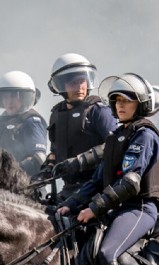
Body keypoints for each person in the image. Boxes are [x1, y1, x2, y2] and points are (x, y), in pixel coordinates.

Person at [56, 73, 159, 265]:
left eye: (126, 101)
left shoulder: (144, 134)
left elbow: (130, 183)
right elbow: (96, 181)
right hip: (114, 208)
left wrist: (93, 208)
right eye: (116, 101)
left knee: (106, 253)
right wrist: (71, 204)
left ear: (140, 104)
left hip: (138, 208)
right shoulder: (117, 135)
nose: (119, 106)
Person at [36, 53, 118, 203]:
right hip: (68, 189)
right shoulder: (56, 114)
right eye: (73, 83)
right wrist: (43, 174)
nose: (79, 87)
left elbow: (115, 146)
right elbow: (55, 151)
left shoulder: (99, 111)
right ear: (60, 85)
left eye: (82, 81)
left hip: (99, 188)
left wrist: (80, 161)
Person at [0, 70, 48, 176]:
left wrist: (11, 173)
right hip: (2, 185)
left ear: (24, 98)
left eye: (14, 96)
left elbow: (38, 158)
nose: (9, 101)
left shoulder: (31, 121)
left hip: (28, 186)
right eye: (5, 97)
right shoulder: (0, 124)